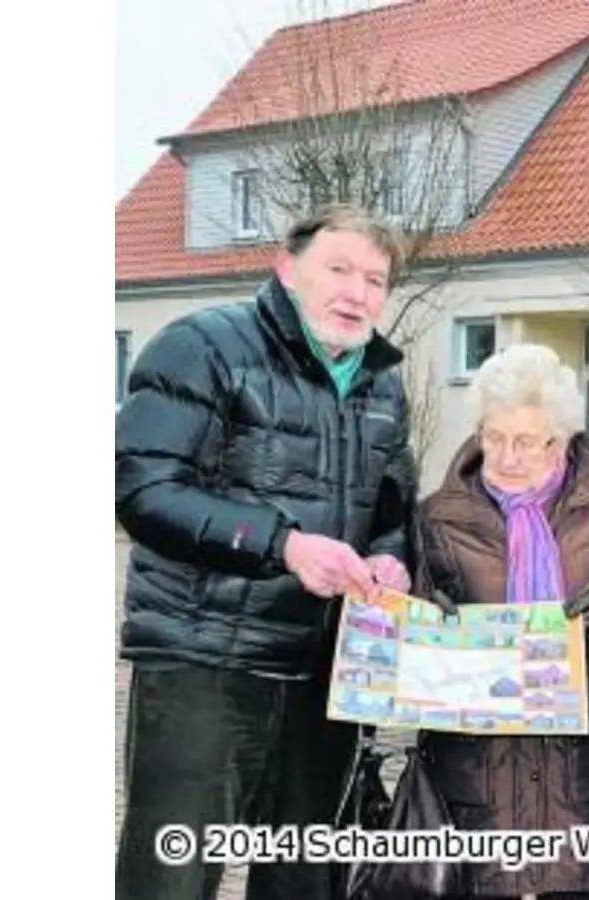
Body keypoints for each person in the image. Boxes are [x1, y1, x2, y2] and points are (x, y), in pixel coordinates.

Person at [114, 204, 416, 900]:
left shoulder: (382, 381)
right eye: (338, 269)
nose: (357, 292)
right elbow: (143, 491)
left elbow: (392, 508)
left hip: (327, 674)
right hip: (206, 662)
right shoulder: (202, 347)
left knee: (305, 879)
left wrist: (392, 558)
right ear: (287, 269)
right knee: (172, 875)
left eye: (375, 279)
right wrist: (282, 546)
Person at [413, 342, 589, 899]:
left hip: (584, 776)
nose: (506, 456)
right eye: (493, 437)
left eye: (525, 442)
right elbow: (406, 629)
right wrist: (424, 623)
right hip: (476, 779)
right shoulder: (438, 517)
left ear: (559, 442)